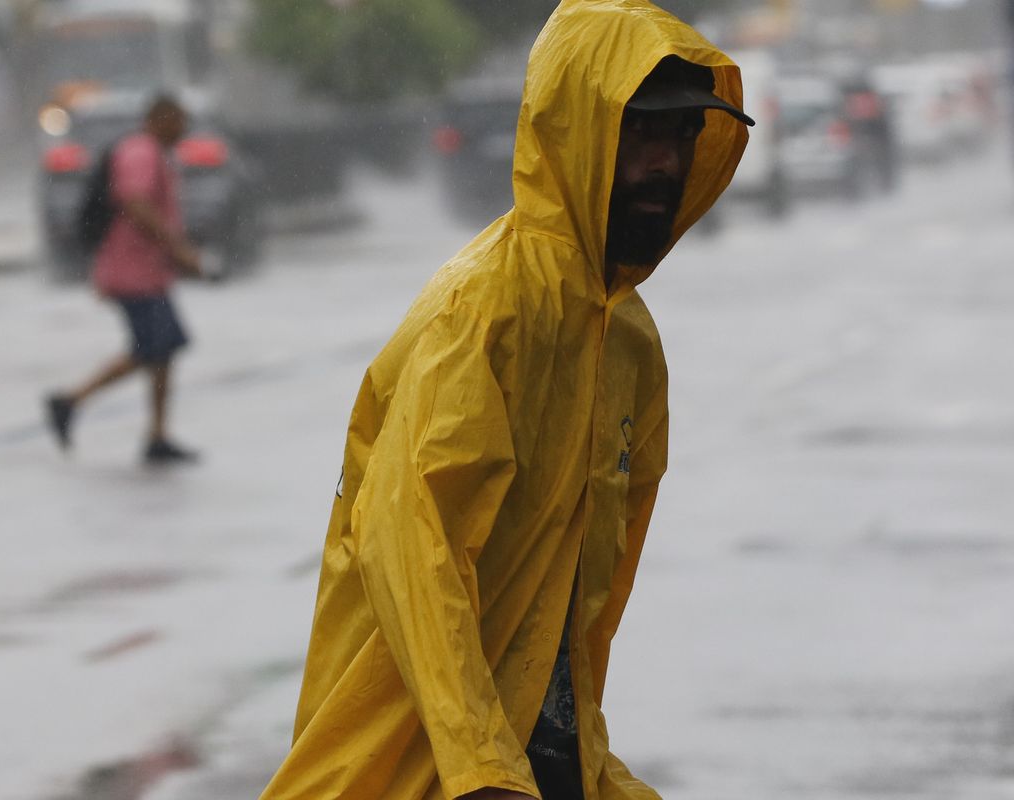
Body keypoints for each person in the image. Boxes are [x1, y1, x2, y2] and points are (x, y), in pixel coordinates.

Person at [259, 3, 753, 799]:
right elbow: (411, 544)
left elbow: (576, 611)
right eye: (643, 133)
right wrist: (480, 765)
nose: (668, 162)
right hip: (415, 769)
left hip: (533, 761)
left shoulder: (627, 342)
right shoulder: (484, 311)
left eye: (686, 135)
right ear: (576, 131)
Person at [45, 95, 203, 465]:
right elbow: (135, 202)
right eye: (179, 121)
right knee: (151, 348)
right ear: (160, 118)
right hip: (131, 273)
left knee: (164, 347)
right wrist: (177, 248)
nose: (183, 130)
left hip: (148, 273)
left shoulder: (150, 152)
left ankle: (157, 434)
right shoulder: (140, 152)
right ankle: (70, 401)